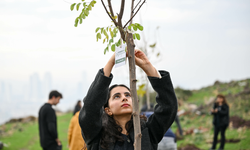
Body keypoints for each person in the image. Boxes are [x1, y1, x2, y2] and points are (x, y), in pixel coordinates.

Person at [79, 49, 178, 150]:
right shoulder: (98, 135)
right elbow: (90, 107)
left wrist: (148, 67)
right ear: (108, 110)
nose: (124, 98)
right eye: (117, 96)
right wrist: (111, 63)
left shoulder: (146, 132)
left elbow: (169, 106)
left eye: (128, 95)